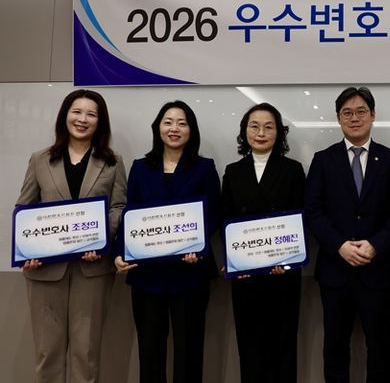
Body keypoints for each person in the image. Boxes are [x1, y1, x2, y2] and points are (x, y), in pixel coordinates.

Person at [16, 89, 127, 383]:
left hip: (92, 271)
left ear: (100, 121)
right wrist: (28, 251)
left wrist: (100, 240)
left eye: (91, 114)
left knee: (85, 355)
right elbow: (24, 209)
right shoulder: (40, 159)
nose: (82, 119)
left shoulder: (113, 161)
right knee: (47, 355)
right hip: (44, 270)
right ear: (65, 116)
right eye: (76, 112)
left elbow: (119, 208)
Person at [305, 86, 390, 383]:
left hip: (377, 270)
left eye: (361, 111)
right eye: (347, 113)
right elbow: (313, 210)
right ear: (338, 118)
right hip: (335, 270)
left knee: (379, 346)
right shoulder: (323, 159)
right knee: (335, 347)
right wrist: (339, 245)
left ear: (373, 115)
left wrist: (375, 245)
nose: (354, 118)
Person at [114, 100, 221, 383]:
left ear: (191, 130)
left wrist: (197, 246)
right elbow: (129, 215)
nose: (174, 128)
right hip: (147, 276)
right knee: (150, 352)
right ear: (158, 127)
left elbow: (214, 214)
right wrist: (119, 253)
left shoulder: (205, 168)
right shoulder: (140, 168)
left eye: (182, 123)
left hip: (190, 273)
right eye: (168, 122)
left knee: (189, 352)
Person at [221, 103, 305, 383]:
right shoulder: (232, 171)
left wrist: (287, 261)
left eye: (269, 127)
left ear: (279, 133)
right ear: (244, 131)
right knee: (250, 347)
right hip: (245, 276)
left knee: (283, 347)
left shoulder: (293, 170)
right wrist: (232, 261)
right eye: (254, 126)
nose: (260, 133)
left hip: (283, 276)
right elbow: (226, 219)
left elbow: (301, 219)